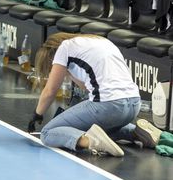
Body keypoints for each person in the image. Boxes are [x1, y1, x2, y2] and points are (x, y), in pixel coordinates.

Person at [28, 33, 163, 156]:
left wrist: (37, 114)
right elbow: (87, 87)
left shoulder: (64, 48)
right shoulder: (100, 41)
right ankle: (136, 132)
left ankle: (91, 140)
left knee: (47, 133)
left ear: (52, 56)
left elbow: (50, 91)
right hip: (133, 105)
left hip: (108, 106)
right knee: (101, 128)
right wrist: (67, 71)